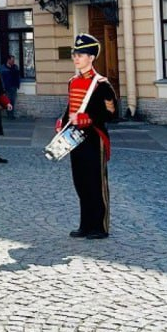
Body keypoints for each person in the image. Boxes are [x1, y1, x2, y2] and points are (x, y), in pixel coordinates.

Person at [55, 34, 117, 240]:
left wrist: (88, 119)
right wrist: (62, 121)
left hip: (94, 138)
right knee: (80, 182)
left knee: (95, 183)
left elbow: (112, 114)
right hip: (74, 139)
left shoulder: (101, 84)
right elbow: (71, 107)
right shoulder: (73, 82)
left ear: (91, 57)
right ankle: (85, 224)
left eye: (80, 54)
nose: (76, 58)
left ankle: (99, 226)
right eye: (75, 54)